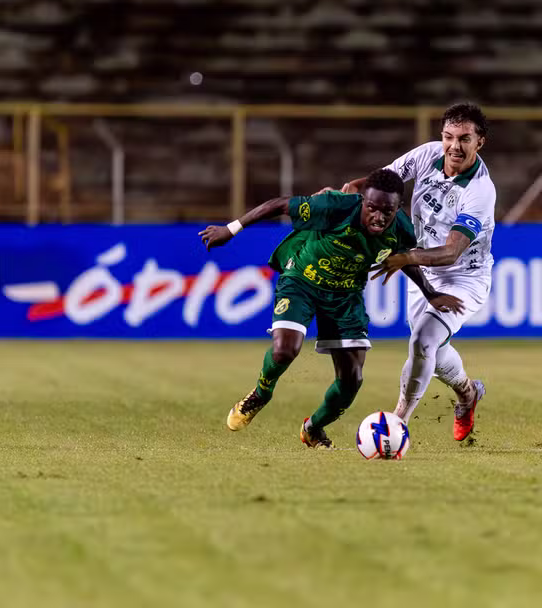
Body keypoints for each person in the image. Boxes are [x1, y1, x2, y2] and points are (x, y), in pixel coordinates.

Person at [199, 169, 464, 448]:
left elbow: (405, 258)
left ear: (397, 208)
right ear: (363, 201)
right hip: (302, 280)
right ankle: (260, 395)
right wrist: (230, 229)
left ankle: (313, 428)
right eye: (372, 208)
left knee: (352, 379)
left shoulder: (401, 229)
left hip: (346, 296)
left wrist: (430, 292)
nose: (379, 216)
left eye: (387, 211)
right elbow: (278, 205)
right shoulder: (334, 207)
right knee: (285, 349)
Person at [339, 103, 495, 441]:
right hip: (423, 270)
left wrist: (407, 258)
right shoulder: (427, 155)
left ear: (479, 142)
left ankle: (397, 423)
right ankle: (468, 394)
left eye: (464, 139)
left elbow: (453, 250)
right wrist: (352, 187)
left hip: (464, 277)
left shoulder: (480, 191)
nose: (454, 146)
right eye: (448, 137)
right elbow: (385, 181)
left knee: (423, 341)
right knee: (433, 354)